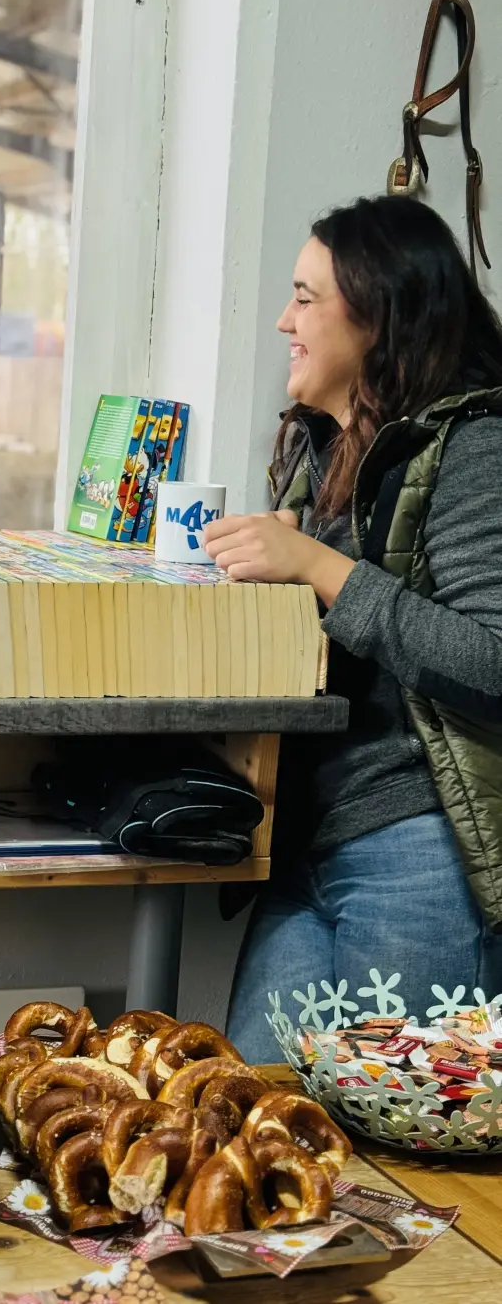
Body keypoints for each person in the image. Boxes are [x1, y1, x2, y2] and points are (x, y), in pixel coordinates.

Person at [204, 195, 502, 1062]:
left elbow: (492, 659)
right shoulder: (315, 448)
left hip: (418, 858)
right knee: (250, 1115)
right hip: (306, 840)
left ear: (375, 316)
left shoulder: (475, 448)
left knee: (399, 1164)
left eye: (304, 297)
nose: (281, 320)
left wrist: (319, 570)